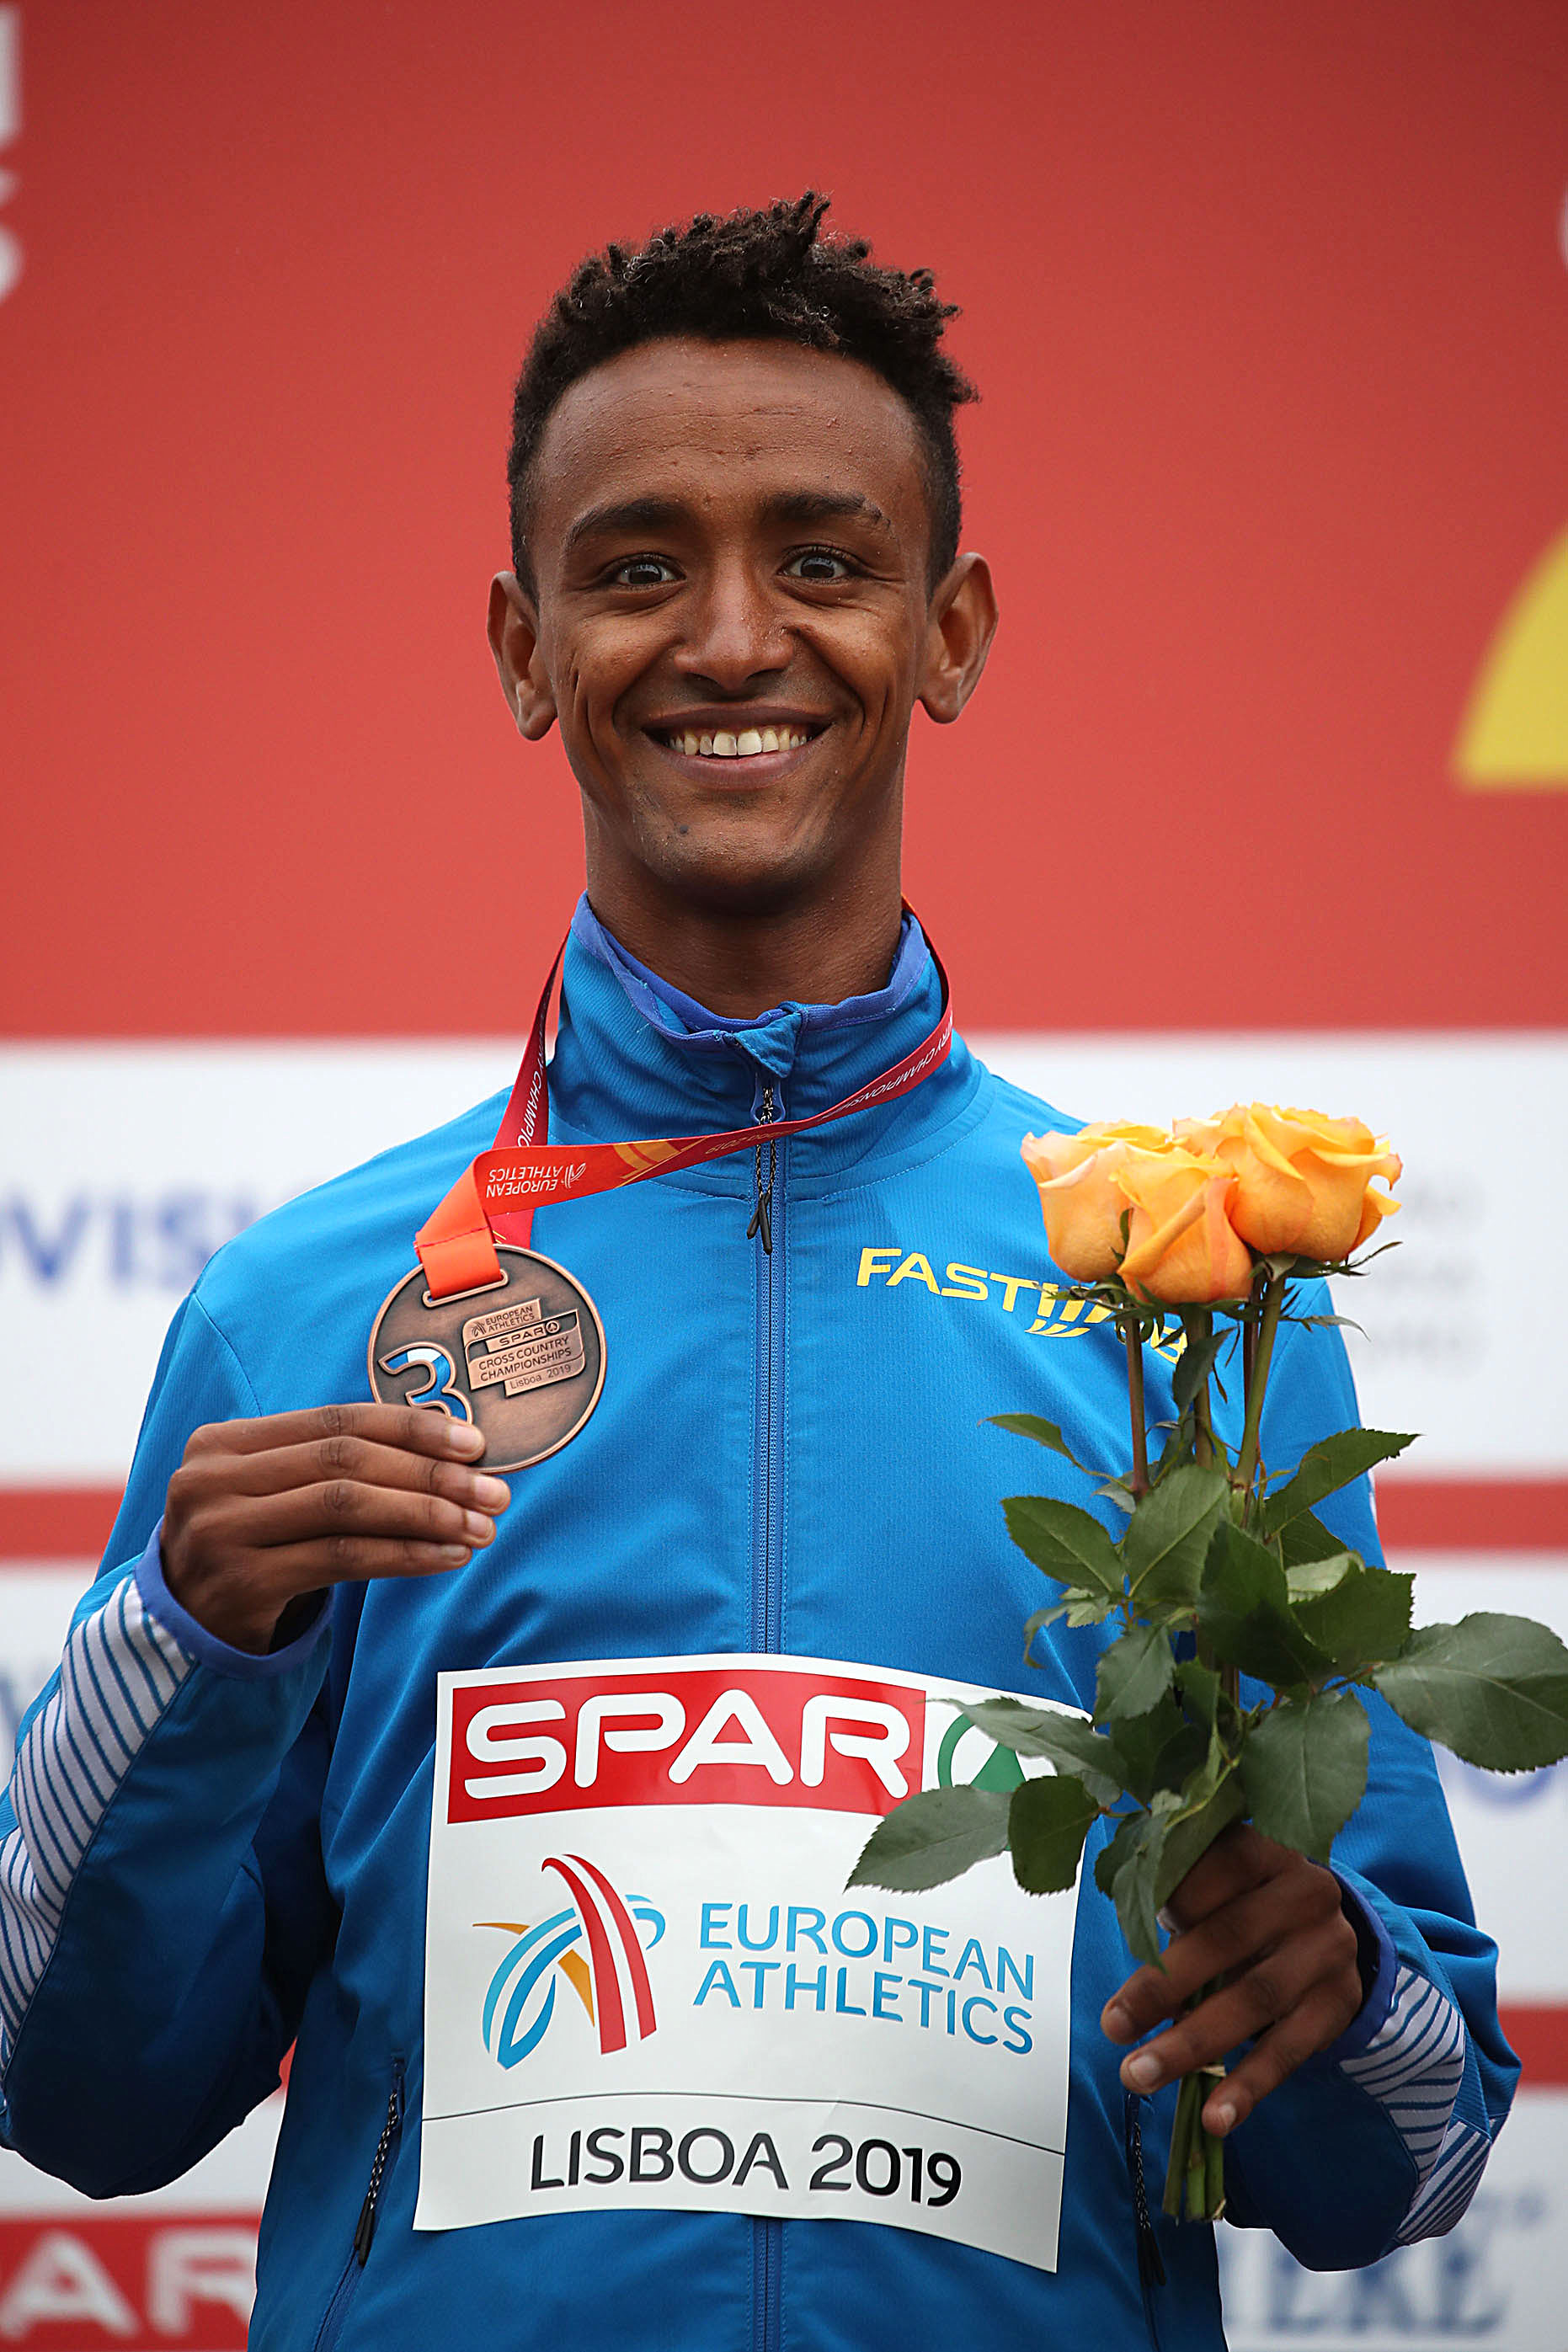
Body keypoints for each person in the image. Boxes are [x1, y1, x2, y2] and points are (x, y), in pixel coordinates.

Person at [0, 195, 1515, 2349]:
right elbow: (78, 2101)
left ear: (950, 631)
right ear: (524, 649)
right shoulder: (301, 1311)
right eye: (637, 569)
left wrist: (1339, 1992)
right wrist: (178, 1643)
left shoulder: (1195, 1298)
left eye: (822, 560)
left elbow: (1402, 2169)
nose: (729, 639)